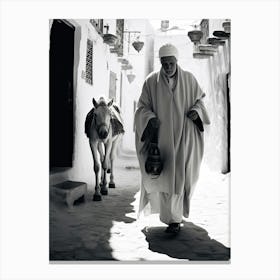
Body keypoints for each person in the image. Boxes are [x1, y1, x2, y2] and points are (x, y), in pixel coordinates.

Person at [134, 43, 210, 233]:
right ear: (161, 63)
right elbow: (142, 107)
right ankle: (173, 220)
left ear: (177, 62)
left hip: (184, 139)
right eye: (164, 63)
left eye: (171, 63)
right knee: (166, 176)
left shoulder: (190, 80)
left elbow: (200, 101)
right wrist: (150, 119)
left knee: (182, 176)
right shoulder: (151, 82)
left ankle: (174, 217)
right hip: (162, 141)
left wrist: (195, 111)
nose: (168, 67)